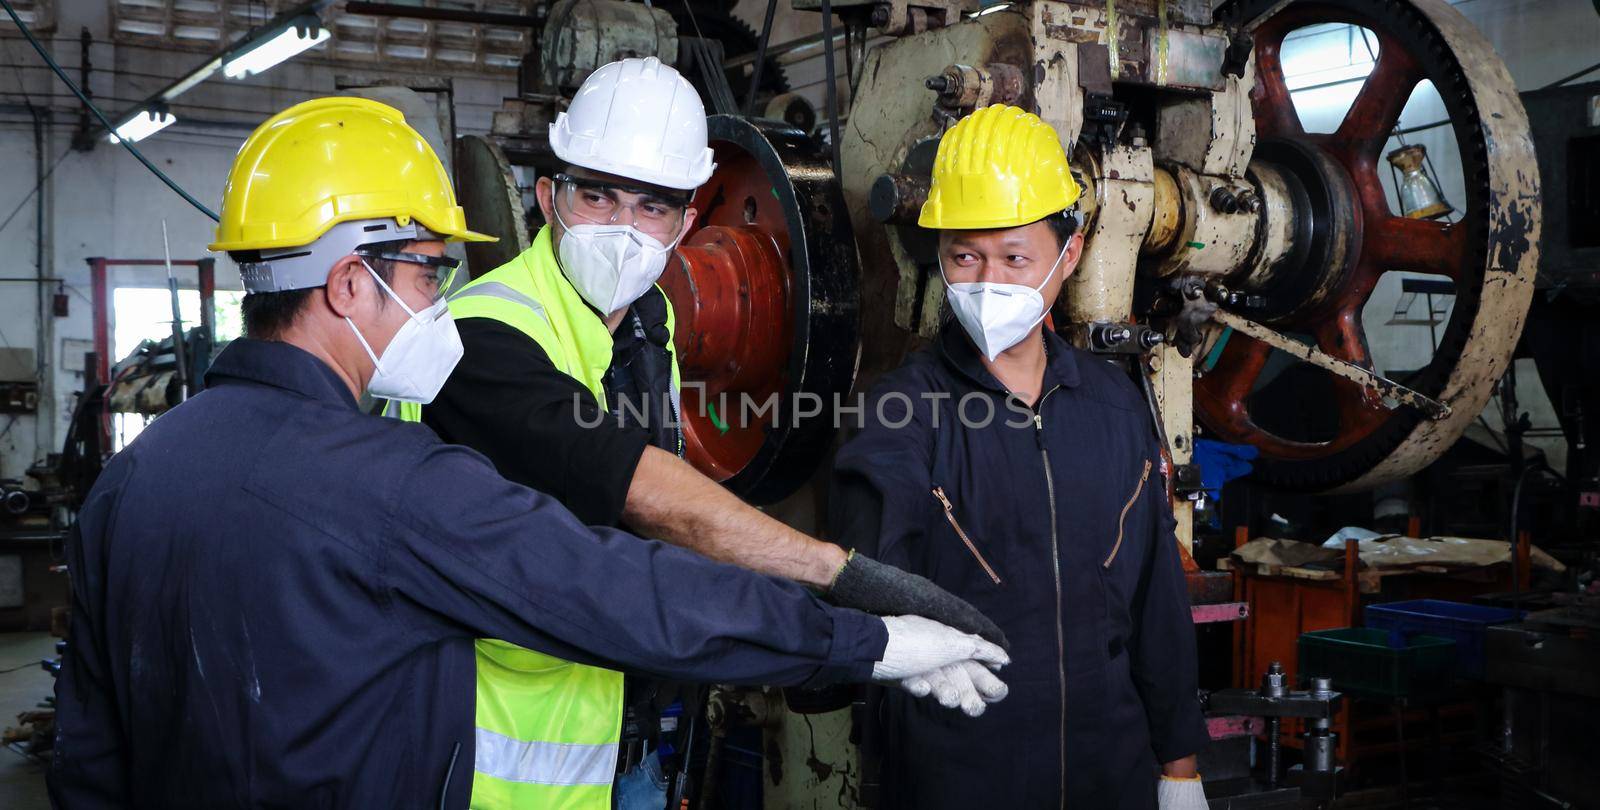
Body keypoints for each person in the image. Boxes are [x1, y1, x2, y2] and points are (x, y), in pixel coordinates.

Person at [48, 97, 1010, 810]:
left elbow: (89, 759)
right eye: (427, 270)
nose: (442, 300)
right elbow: (614, 586)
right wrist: (865, 636)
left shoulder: (133, 479)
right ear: (347, 283)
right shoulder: (390, 484)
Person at [388, 57, 1007, 805]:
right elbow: (649, 494)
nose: (623, 229)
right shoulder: (481, 336)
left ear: (687, 224)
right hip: (487, 758)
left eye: (652, 208)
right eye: (597, 197)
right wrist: (845, 580)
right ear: (549, 198)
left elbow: (669, 533)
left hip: (626, 737)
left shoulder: (653, 323)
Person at [829, 104, 1209, 810]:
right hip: (958, 778)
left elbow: (1159, 602)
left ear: (1069, 256)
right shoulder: (900, 411)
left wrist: (1178, 768)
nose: (985, 280)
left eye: (1014, 257)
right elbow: (859, 582)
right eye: (964, 256)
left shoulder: (1114, 405)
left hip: (1112, 775)